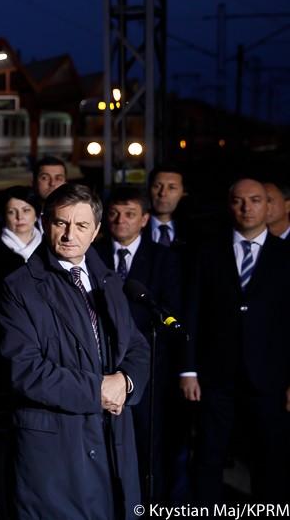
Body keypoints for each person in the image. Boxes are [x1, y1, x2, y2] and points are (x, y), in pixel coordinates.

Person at [0, 183, 149, 520]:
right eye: (60, 223)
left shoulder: (107, 280)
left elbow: (136, 345)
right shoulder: (19, 287)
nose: (69, 234)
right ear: (45, 224)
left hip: (111, 435)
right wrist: (98, 389)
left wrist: (125, 381)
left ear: (96, 230)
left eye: (81, 225)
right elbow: (23, 370)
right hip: (56, 443)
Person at [181, 178, 290, 502]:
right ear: (230, 205)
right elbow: (191, 311)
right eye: (239, 201)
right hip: (215, 376)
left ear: (268, 206)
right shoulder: (206, 251)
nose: (247, 207)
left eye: (255, 200)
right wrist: (188, 369)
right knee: (208, 455)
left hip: (270, 377)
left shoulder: (287, 255)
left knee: (270, 460)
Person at [94, 186, 182, 503]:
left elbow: (171, 310)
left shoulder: (164, 259)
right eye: (114, 214)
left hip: (148, 368)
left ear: (145, 219)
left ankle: (149, 505)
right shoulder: (92, 255)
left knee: (147, 445)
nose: (121, 220)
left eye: (130, 214)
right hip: (101, 365)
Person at [0, 186, 42, 519]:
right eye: (13, 212)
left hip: (44, 359)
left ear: (36, 215)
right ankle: (5, 506)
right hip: (0, 359)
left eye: (26, 211)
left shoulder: (49, 250)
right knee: (3, 439)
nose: (19, 219)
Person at [147, 165, 187, 247]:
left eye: (171, 188)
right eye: (157, 186)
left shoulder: (194, 231)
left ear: (183, 193)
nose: (162, 193)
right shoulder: (134, 228)